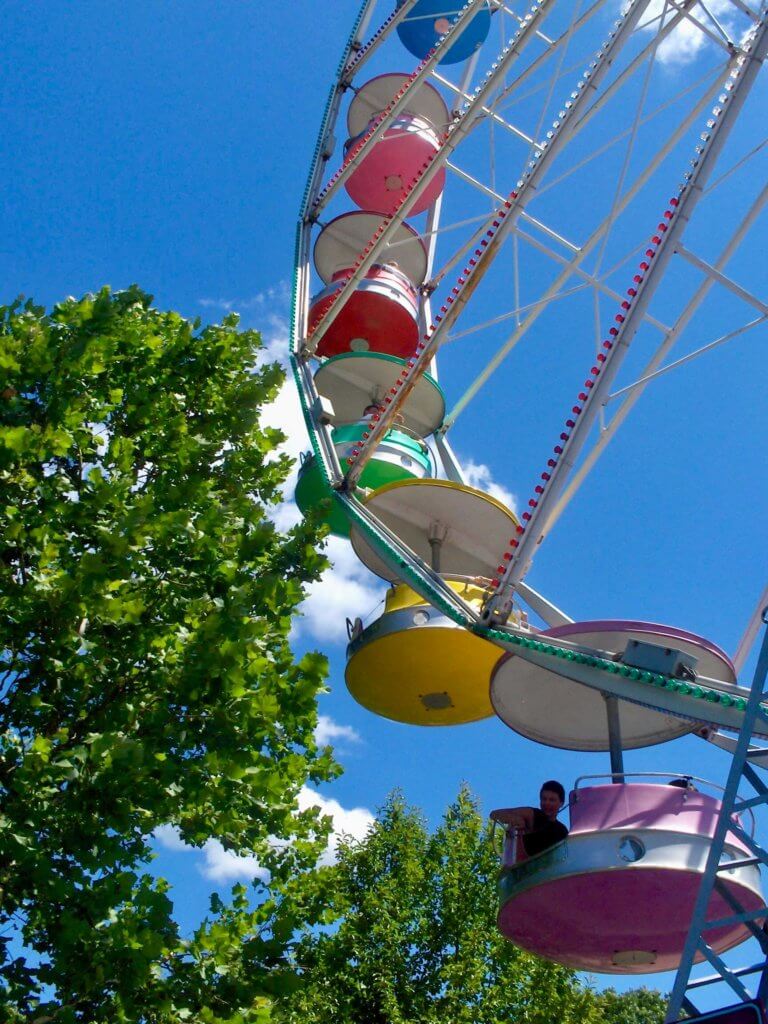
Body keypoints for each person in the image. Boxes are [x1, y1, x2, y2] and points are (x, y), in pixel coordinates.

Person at [490, 780, 569, 858]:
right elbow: (495, 814)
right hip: (524, 867)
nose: (547, 803)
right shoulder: (534, 814)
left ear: (561, 803)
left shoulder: (562, 830)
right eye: (544, 799)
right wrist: (517, 820)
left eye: (552, 800)